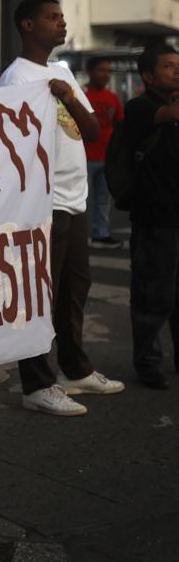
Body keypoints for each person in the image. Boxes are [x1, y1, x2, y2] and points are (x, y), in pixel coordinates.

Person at [0, 0, 124, 416]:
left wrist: (67, 95)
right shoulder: (15, 78)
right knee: (39, 295)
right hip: (43, 203)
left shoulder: (63, 72)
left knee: (73, 290)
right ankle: (36, 384)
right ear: (27, 25)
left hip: (74, 197)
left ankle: (75, 369)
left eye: (62, 17)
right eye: (52, 17)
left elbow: (91, 129)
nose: (62, 23)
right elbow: (9, 147)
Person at [120, 43, 179, 389]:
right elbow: (167, 115)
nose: (176, 70)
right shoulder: (140, 107)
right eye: (169, 66)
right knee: (152, 295)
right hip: (155, 220)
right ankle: (148, 363)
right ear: (148, 76)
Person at [83, 57, 124, 249]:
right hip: (83, 158)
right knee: (79, 201)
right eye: (101, 70)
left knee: (103, 200)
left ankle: (101, 233)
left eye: (108, 71)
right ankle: (77, 237)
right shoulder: (81, 94)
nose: (106, 75)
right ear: (90, 72)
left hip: (106, 157)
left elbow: (120, 126)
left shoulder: (112, 97)